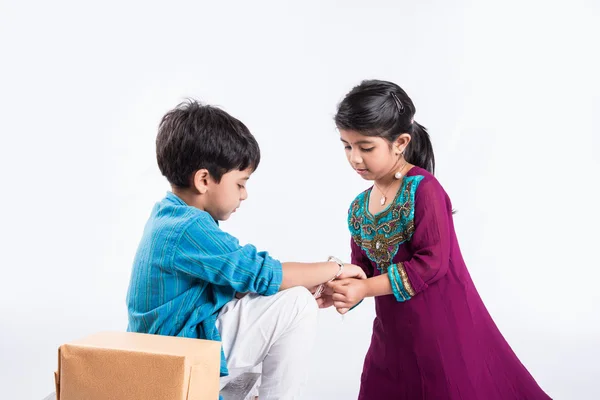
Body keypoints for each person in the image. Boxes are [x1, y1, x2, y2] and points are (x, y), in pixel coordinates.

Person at [323, 79, 551, 399]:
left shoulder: (424, 189)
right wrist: (340, 288)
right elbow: (363, 271)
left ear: (400, 142)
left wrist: (363, 287)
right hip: (392, 336)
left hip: (441, 331)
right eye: (347, 146)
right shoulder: (359, 207)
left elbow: (431, 264)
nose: (355, 158)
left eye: (366, 147)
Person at [126, 99, 366, 400]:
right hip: (175, 358)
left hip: (175, 347)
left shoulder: (170, 215)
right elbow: (263, 273)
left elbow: (232, 286)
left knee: (290, 301)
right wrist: (336, 268)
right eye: (240, 183)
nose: (245, 194)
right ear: (203, 180)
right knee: (296, 305)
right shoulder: (188, 227)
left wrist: (301, 290)